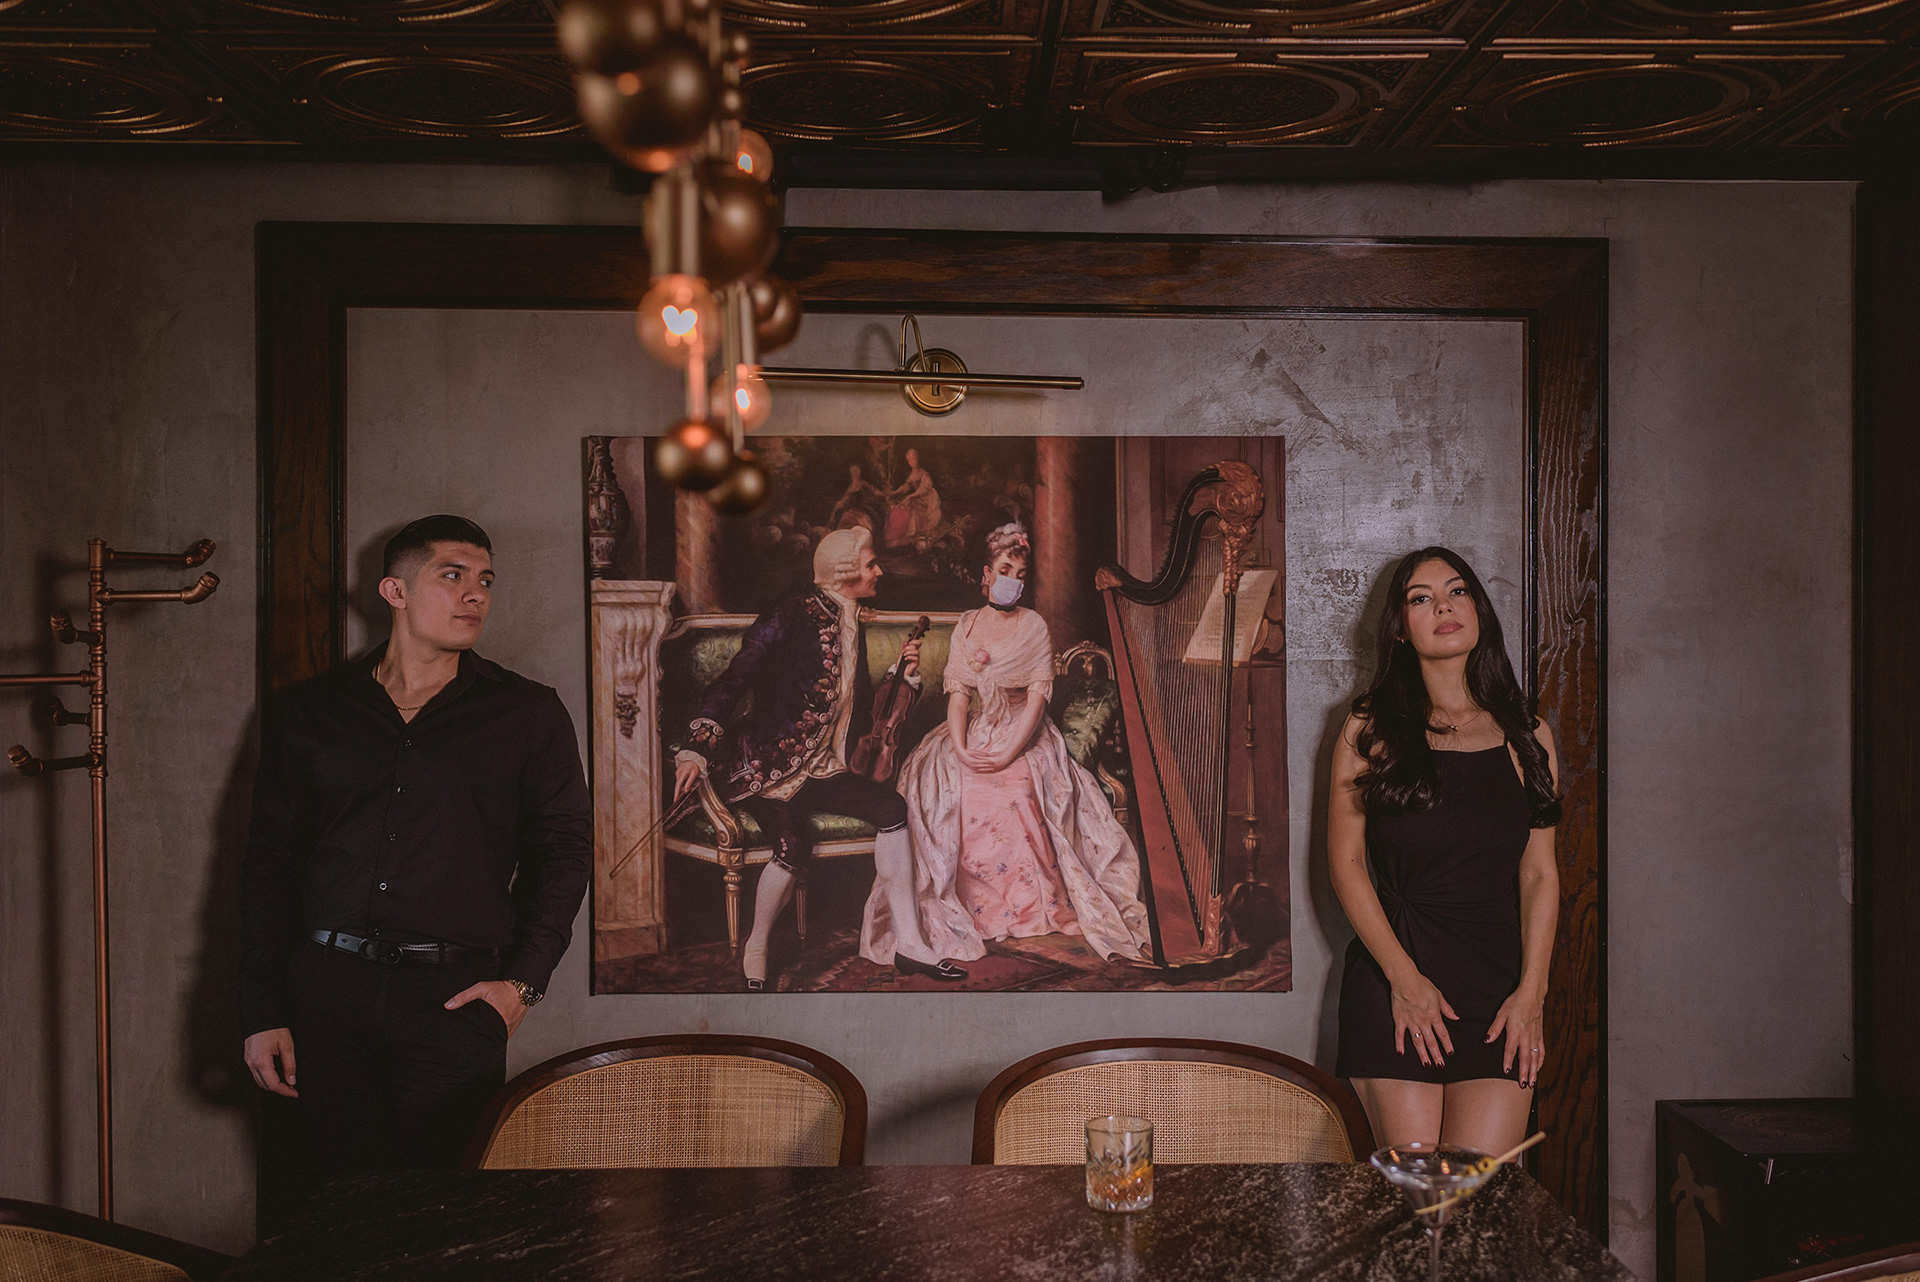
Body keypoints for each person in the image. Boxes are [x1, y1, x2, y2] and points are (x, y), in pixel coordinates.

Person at [239, 514, 591, 1190]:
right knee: (327, 1207)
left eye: (485, 580)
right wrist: (263, 1010)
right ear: (394, 591)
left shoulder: (527, 713)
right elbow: (270, 864)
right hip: (324, 996)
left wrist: (523, 983)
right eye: (452, 576)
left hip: (454, 1000)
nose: (476, 594)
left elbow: (564, 852)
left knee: (444, 1210)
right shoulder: (310, 712)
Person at [1329, 546, 1561, 1157]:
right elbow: (1346, 864)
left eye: (1457, 591)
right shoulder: (1368, 729)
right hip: (1396, 980)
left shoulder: (1528, 736)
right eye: (1421, 598)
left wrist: (1533, 993)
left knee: (1475, 1195)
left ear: (1478, 610)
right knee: (1417, 1196)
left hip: (1500, 992)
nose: (1444, 607)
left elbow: (1540, 874)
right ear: (1400, 630)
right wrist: (1405, 982)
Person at [673, 526, 963, 989]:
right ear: (845, 573)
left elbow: (853, 703)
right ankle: (757, 946)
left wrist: (902, 675)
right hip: (767, 768)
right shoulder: (789, 614)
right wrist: (696, 747)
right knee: (793, 845)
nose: (879, 571)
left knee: (892, 808)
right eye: (871, 564)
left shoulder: (851, 617)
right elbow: (735, 677)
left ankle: (910, 943)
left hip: (823, 768)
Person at [860, 524, 1151, 970]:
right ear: (987, 574)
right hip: (975, 729)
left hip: (1024, 734)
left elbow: (1036, 700)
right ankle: (976, 912)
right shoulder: (968, 624)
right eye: (1005, 569)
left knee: (1015, 794)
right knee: (951, 790)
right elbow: (959, 695)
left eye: (1020, 573)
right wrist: (960, 748)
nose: (1012, 579)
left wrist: (1008, 752)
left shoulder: (1033, 625)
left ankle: (1028, 909)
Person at [883, 447, 942, 549]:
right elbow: (907, 486)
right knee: (900, 508)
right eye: (909, 460)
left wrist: (910, 496)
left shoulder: (923, 473)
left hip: (928, 498)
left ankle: (912, 533)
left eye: (913, 459)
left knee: (912, 509)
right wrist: (895, 492)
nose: (911, 462)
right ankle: (895, 534)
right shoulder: (912, 473)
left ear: (918, 458)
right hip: (917, 497)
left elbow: (924, 488)